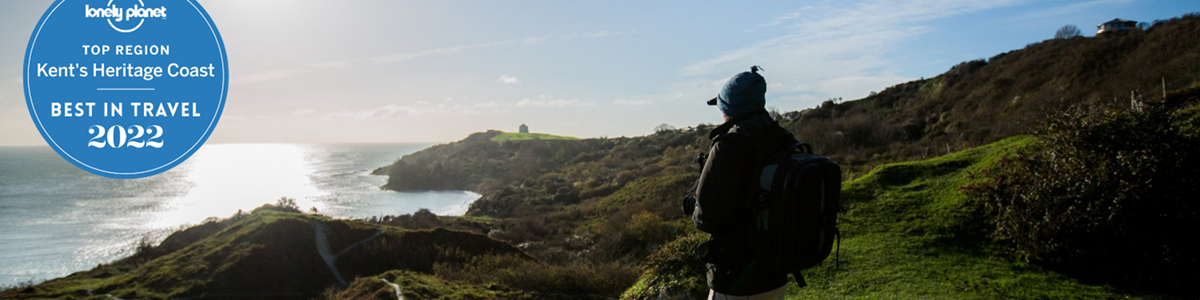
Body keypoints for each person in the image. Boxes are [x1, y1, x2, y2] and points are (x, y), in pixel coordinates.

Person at [685, 66, 799, 300]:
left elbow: (707, 218)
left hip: (737, 277)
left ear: (728, 108)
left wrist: (693, 208)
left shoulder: (729, 145)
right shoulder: (783, 140)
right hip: (777, 271)